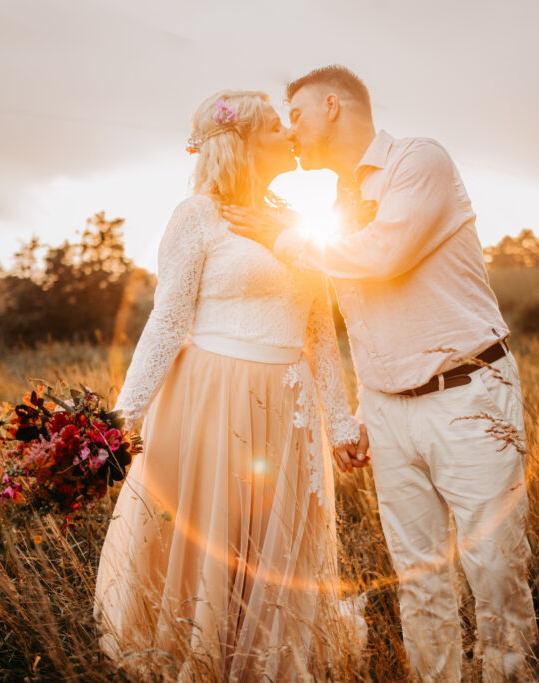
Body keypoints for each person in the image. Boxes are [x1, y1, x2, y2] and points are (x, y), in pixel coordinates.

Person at [224, 65, 538, 681]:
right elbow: (367, 319)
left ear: (333, 106)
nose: (291, 132)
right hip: (390, 410)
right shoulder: (337, 203)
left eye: (298, 115)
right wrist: (365, 410)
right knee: (418, 577)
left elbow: (384, 257)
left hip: (468, 394)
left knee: (495, 566)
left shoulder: (420, 162)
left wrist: (284, 238)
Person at [93, 90, 366, 682]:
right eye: (273, 128)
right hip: (211, 400)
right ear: (241, 142)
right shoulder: (196, 217)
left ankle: (265, 662)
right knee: (214, 541)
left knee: (271, 545)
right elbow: (167, 322)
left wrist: (341, 422)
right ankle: (198, 657)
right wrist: (119, 422)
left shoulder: (293, 224)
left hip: (289, 408)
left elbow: (319, 331)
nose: (288, 137)